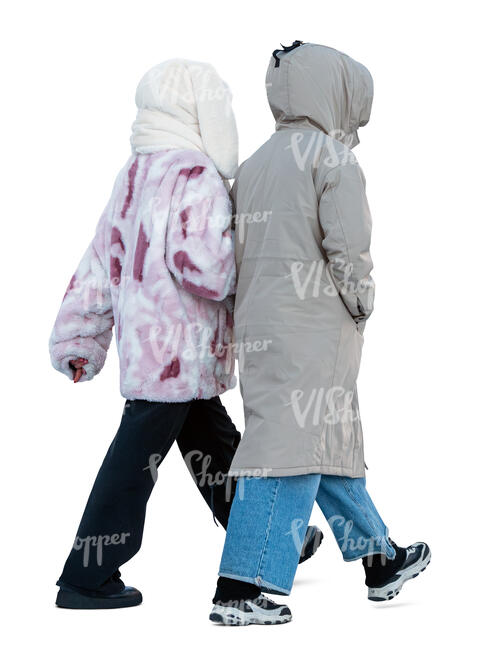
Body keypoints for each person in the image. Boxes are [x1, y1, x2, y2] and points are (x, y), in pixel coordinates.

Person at [49, 59, 321, 610]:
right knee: (134, 461)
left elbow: (103, 260)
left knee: (214, 445)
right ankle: (86, 575)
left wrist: (81, 338)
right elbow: (207, 268)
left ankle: (275, 541)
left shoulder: (136, 172)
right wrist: (250, 261)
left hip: (158, 356)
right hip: (183, 353)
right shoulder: (194, 174)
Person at [209, 42, 431, 626]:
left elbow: (233, 252)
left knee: (320, 437)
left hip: (260, 323)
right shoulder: (332, 158)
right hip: (312, 324)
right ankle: (240, 584)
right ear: (332, 91)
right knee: (286, 447)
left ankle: (379, 558)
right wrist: (361, 300)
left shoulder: (253, 164)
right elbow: (347, 244)